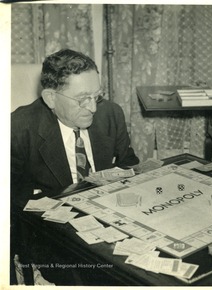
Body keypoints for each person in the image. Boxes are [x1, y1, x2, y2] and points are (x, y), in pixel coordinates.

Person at [11, 48, 140, 285]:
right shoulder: (18, 128)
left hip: (110, 219)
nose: (92, 107)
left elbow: (128, 165)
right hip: (54, 236)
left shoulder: (111, 114)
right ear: (51, 98)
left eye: (97, 95)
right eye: (82, 99)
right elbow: (11, 206)